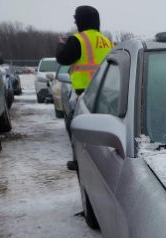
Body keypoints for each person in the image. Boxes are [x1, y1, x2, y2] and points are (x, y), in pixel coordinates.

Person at [56, 6, 112, 170]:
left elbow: (63, 59)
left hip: (85, 93)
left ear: (80, 21)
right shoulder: (105, 40)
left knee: (78, 128)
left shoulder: (77, 39)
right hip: (107, 91)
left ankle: (80, 161)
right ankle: (105, 160)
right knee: (104, 129)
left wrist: (60, 45)